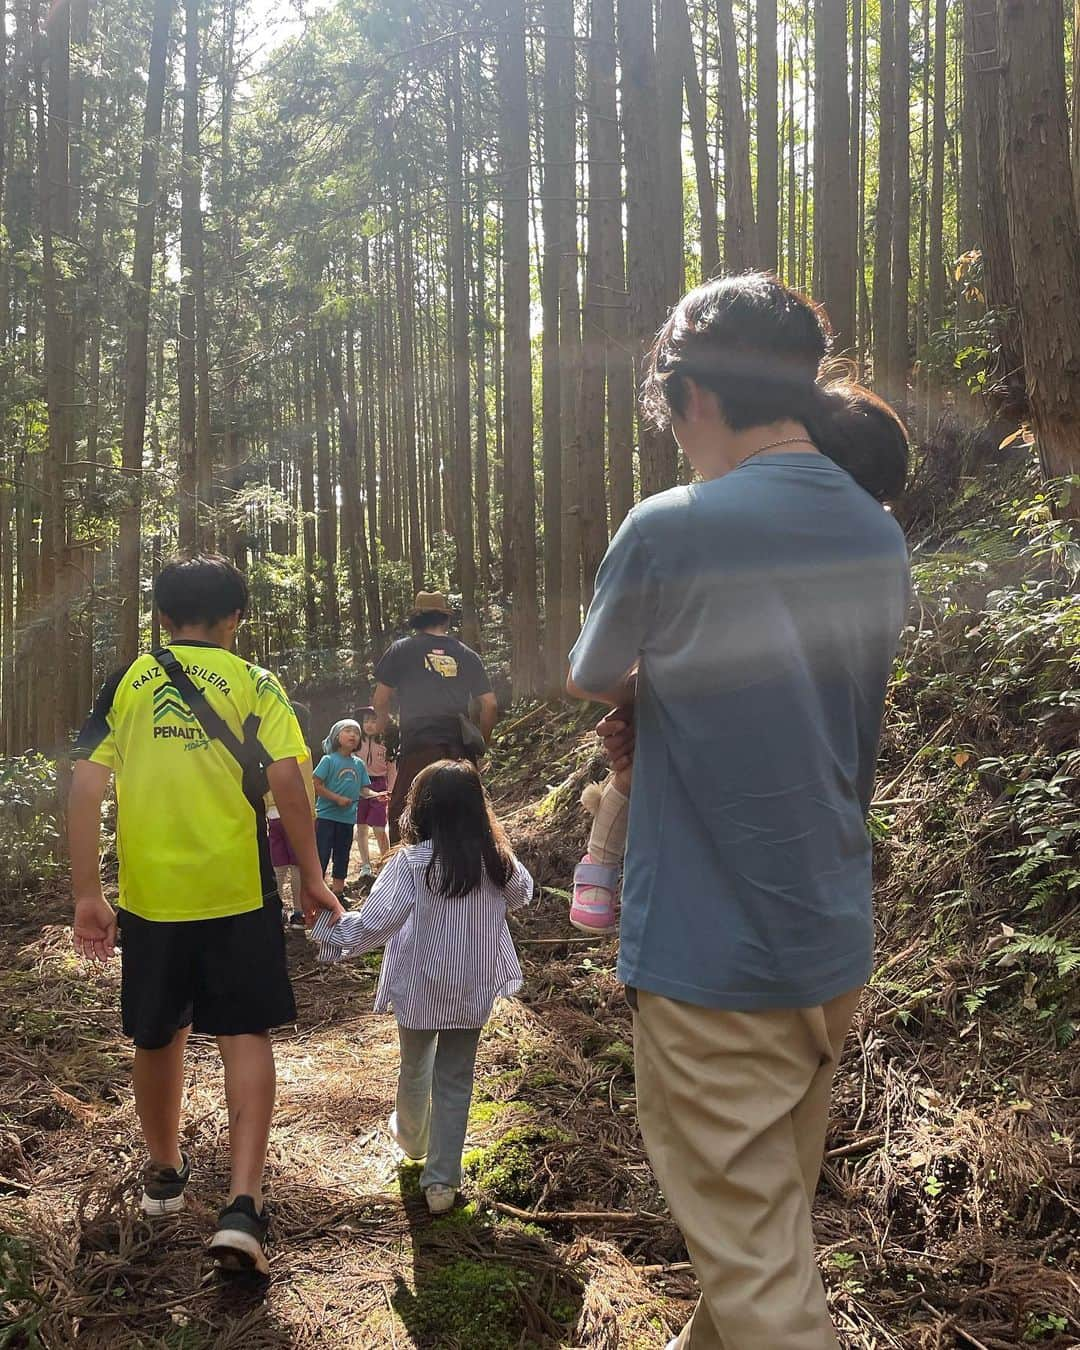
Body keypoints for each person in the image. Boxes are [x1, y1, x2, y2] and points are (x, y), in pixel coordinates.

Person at [567, 273, 911, 1350]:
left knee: (763, 1277)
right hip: (827, 940)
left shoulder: (672, 525)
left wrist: (649, 708)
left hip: (717, 952)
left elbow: (596, 674)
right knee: (759, 1235)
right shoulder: (876, 531)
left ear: (693, 397)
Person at [69, 555, 343, 1277]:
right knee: (243, 1030)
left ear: (161, 618)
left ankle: (165, 1171)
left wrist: (87, 892)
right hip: (237, 890)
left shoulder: (127, 680)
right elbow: (288, 779)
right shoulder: (254, 682)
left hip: (152, 897)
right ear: (235, 619)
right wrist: (311, 877)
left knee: (158, 1033)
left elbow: (86, 783)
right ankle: (244, 1206)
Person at [569, 383, 910, 935]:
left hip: (716, 925)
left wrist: (643, 694)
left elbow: (594, 675)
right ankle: (601, 862)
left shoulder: (693, 534)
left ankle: (599, 866)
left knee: (626, 784)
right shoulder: (880, 545)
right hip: (834, 904)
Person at [310, 760, 533, 1214]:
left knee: (414, 1067)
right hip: (474, 983)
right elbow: (523, 894)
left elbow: (377, 924)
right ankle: (442, 1184)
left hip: (421, 983)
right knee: (455, 1079)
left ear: (420, 810)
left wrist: (329, 930)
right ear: (477, 809)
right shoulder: (494, 860)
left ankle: (412, 1142)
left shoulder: (412, 863)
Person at [372, 591, 499, 843]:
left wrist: (382, 727)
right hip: (458, 749)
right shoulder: (466, 654)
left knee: (403, 811)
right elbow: (490, 705)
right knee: (468, 813)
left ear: (417, 619)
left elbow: (380, 699)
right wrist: (481, 741)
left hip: (419, 745)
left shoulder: (401, 650)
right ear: (445, 619)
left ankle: (402, 872)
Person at [313, 719, 387, 896]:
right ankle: (319, 893)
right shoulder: (328, 760)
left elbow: (363, 789)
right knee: (322, 855)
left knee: (342, 855)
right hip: (326, 818)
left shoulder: (358, 764)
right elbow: (316, 784)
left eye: (356, 732)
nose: (353, 735)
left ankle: (338, 893)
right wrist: (336, 798)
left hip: (347, 819)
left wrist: (377, 795)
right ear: (337, 736)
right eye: (348, 731)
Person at [267, 699, 314, 929]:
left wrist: (267, 807)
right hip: (300, 817)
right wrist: (311, 815)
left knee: (277, 865)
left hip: (274, 815)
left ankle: (276, 910)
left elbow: (267, 786)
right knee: (296, 866)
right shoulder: (304, 751)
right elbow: (308, 786)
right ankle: (297, 913)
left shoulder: (269, 751)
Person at [355, 706, 396, 877]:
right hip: (359, 786)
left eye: (374, 721)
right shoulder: (356, 742)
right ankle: (365, 866)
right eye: (366, 721)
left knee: (379, 828)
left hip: (380, 786)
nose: (370, 725)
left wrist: (391, 790)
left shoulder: (387, 742)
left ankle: (386, 863)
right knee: (361, 827)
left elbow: (392, 768)